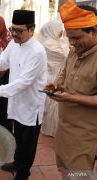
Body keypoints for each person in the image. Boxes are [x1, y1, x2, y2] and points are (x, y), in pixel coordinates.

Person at [0, 10, 47, 180]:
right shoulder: (14, 43)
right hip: (16, 101)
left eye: (19, 31)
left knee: (28, 142)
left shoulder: (37, 52)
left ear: (32, 30)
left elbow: (22, 83)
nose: (14, 34)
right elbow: (3, 63)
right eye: (12, 29)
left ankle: (23, 173)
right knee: (18, 136)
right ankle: (17, 162)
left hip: (31, 104)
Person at [45, 1, 97, 177]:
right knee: (65, 172)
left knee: (79, 175)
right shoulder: (74, 51)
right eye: (69, 38)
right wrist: (58, 87)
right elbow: (65, 74)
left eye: (77, 38)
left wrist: (71, 98)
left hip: (86, 137)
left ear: (94, 31)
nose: (72, 43)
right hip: (65, 130)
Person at [38, 19, 69, 137]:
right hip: (54, 76)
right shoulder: (50, 44)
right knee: (52, 104)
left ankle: (45, 126)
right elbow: (66, 55)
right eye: (59, 29)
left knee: (48, 103)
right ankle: (50, 129)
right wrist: (65, 40)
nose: (61, 32)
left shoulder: (45, 42)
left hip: (47, 75)